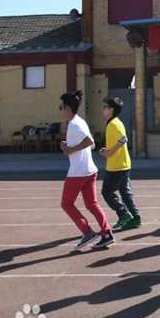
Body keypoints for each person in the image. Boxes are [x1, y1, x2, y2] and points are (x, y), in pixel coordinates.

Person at [59, 91, 114, 250]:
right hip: (89, 170)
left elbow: (89, 141)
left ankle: (87, 232)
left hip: (78, 172)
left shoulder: (75, 124)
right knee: (92, 204)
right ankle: (106, 233)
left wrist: (71, 149)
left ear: (68, 108)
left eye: (61, 107)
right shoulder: (80, 122)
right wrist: (68, 148)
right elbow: (92, 145)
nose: (60, 110)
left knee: (66, 204)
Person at [99, 97, 140, 231]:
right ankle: (135, 218)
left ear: (111, 110)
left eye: (105, 107)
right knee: (125, 193)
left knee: (106, 192)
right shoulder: (115, 123)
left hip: (117, 166)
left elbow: (123, 139)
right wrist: (107, 150)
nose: (103, 109)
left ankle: (123, 214)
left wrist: (109, 152)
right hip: (122, 164)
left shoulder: (113, 124)